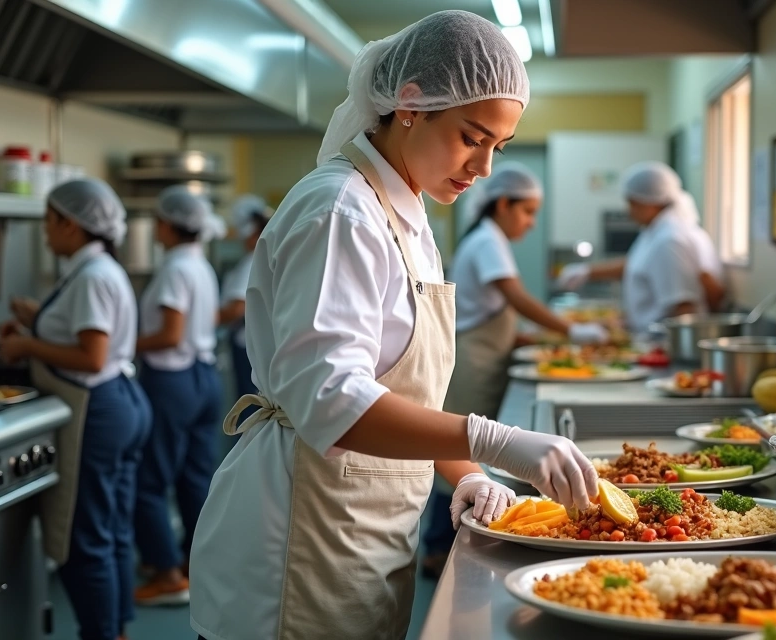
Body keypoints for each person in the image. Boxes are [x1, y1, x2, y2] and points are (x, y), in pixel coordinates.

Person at [188, 11, 597, 640]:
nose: (484, 168)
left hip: (368, 530)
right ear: (411, 105)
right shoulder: (340, 211)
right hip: (305, 532)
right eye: (471, 137)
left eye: (498, 146)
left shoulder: (406, 213)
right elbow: (332, 400)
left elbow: (400, 391)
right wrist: (493, 441)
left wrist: (466, 474)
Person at [419, 164, 609, 576]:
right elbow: (517, 298)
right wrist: (573, 331)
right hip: (473, 361)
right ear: (502, 204)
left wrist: (536, 338)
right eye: (527, 211)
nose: (531, 222)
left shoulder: (489, 239)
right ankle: (439, 546)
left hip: (483, 355)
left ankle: (446, 541)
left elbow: (498, 309)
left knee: (462, 451)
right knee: (454, 450)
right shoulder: (488, 240)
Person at [0, 178, 152, 640]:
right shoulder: (98, 270)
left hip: (98, 410)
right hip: (124, 402)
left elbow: (92, 357)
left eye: (49, 221)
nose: (45, 232)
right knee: (114, 529)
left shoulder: (91, 277)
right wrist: (38, 318)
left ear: (72, 224)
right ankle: (116, 629)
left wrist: (26, 344)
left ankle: (100, 633)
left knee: (84, 539)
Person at [132, 186, 224, 606]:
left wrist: (123, 344)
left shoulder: (172, 269)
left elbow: (170, 334)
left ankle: (166, 572)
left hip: (172, 380)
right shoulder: (199, 264)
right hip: (204, 378)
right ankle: (194, 561)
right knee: (194, 478)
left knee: (150, 481)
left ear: (167, 225)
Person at [556, 161, 725, 333]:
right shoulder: (658, 231)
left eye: (633, 204)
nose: (629, 211)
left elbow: (683, 308)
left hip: (659, 344)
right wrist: (589, 272)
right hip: (649, 336)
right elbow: (638, 263)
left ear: (651, 202)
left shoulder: (670, 240)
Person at [217, 194, 271, 449]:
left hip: (246, 348)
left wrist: (205, 319)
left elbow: (238, 307)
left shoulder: (252, 260)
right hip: (254, 346)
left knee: (248, 409)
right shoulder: (264, 256)